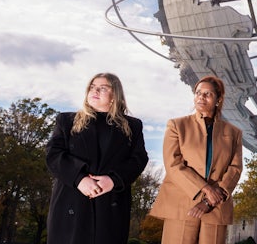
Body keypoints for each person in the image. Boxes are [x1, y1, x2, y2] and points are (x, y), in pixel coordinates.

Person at [45, 72, 149, 244]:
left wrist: (114, 180)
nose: (95, 91)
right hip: (71, 200)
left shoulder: (133, 126)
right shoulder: (66, 120)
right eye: (92, 87)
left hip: (110, 204)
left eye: (102, 88)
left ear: (115, 95)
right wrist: (79, 179)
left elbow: (138, 160)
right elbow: (54, 154)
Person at [150, 75, 243, 244]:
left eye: (207, 94)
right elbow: (173, 165)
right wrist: (206, 189)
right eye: (198, 92)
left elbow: (235, 169)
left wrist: (210, 200)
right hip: (181, 205)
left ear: (218, 99)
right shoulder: (177, 126)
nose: (201, 97)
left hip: (216, 206)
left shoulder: (234, 133)